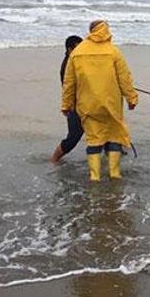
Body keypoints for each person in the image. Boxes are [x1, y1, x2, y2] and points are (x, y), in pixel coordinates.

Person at [61, 20, 138, 181]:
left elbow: (69, 83)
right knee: (114, 137)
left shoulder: (77, 53)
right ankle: (115, 174)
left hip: (87, 105)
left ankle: (95, 176)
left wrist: (66, 105)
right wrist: (132, 98)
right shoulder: (114, 52)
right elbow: (125, 79)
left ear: (91, 31)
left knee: (94, 139)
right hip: (111, 105)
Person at [51, 35, 84, 164]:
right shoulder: (68, 65)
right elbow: (68, 88)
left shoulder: (78, 61)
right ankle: (54, 160)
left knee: (103, 134)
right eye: (78, 47)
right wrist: (66, 106)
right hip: (74, 107)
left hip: (86, 104)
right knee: (73, 138)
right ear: (70, 49)